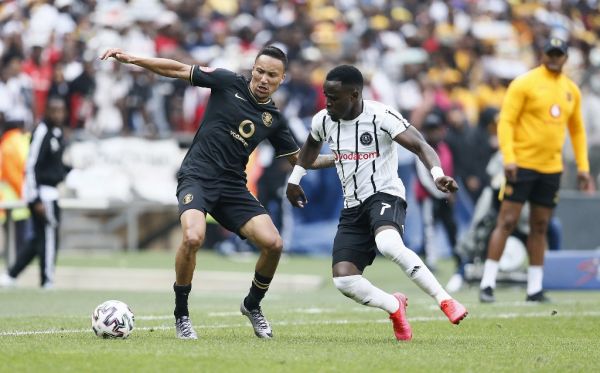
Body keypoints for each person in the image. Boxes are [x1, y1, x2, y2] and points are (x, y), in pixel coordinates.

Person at [100, 45, 333, 340]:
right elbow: (177, 69)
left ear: (282, 79)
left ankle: (252, 305)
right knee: (193, 237)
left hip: (232, 186)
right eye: (259, 71)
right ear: (252, 69)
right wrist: (133, 58)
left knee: (273, 244)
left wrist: (341, 158)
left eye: (271, 75)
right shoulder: (227, 82)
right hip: (197, 176)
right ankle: (181, 315)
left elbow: (300, 160)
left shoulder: (274, 119)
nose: (263, 79)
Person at [286, 65, 468, 341]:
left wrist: (437, 174)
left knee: (388, 244)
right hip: (352, 206)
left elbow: (420, 145)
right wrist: (295, 178)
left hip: (385, 194)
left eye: (334, 97)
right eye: (326, 95)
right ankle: (395, 306)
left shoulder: (381, 116)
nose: (328, 102)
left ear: (355, 94)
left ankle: (445, 300)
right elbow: (310, 151)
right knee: (344, 280)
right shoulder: (323, 119)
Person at [479, 38, 591, 303]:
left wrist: (583, 167)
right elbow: (506, 121)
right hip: (522, 166)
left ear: (565, 57)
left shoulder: (571, 90)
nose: (553, 58)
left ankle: (535, 288)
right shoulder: (524, 83)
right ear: (542, 54)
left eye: (558, 54)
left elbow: (577, 130)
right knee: (506, 221)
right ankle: (487, 283)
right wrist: (509, 158)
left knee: (540, 226)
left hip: (551, 168)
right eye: (549, 53)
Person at [0, 97, 68, 289]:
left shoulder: (57, 132)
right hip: (42, 193)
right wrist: (35, 197)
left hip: (51, 192)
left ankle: (11, 275)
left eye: (61, 111)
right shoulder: (42, 131)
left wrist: (67, 171)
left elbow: (54, 165)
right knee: (49, 236)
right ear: (46, 111)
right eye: (54, 110)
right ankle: (47, 280)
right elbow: (31, 166)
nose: (58, 115)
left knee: (37, 239)